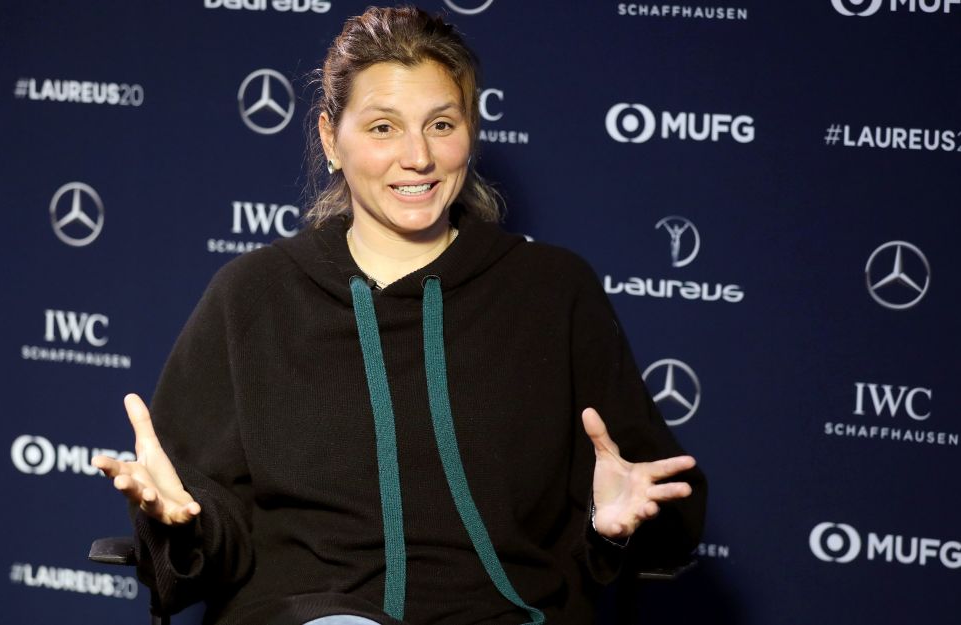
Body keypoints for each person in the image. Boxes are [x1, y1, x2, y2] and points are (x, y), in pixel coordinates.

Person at [92, 6, 706, 625]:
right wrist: (183, 520)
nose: (418, 157)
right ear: (332, 139)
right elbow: (208, 529)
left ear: (472, 130)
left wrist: (612, 526)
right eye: (383, 128)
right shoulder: (253, 294)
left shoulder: (554, 289)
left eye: (441, 123)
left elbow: (661, 502)